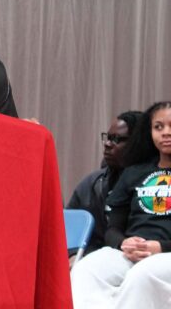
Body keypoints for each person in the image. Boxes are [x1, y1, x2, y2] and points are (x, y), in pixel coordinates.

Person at [71, 101, 171, 308]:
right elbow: (113, 228)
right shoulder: (134, 172)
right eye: (158, 127)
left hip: (165, 253)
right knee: (86, 269)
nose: (165, 133)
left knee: (142, 276)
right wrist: (123, 243)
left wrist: (160, 247)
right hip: (130, 252)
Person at [66, 111, 142, 259]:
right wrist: (74, 256)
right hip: (95, 259)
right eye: (108, 138)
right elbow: (68, 230)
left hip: (140, 257)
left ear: (137, 144)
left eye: (117, 139)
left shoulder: (153, 184)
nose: (107, 144)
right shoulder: (92, 183)